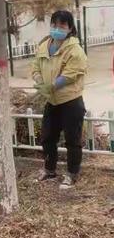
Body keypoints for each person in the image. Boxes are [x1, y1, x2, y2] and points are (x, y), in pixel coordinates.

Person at [32, 10, 87, 189]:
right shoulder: (44, 46)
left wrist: (53, 85)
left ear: (70, 28)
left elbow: (71, 74)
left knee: (72, 139)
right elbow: (35, 67)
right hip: (52, 101)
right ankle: (49, 170)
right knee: (48, 137)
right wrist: (40, 82)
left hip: (70, 101)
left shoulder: (74, 50)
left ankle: (72, 173)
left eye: (62, 25)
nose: (57, 29)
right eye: (54, 25)